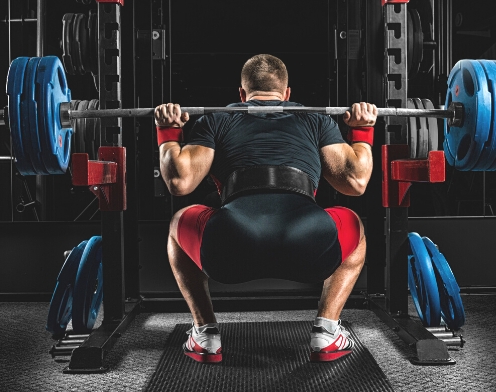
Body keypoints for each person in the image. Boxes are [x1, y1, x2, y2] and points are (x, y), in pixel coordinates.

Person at [154, 54, 377, 364]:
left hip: (232, 247)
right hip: (307, 246)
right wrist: (363, 129)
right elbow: (355, 181)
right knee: (353, 225)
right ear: (287, 93)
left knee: (180, 222)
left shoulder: (216, 119)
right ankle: (327, 333)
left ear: (242, 94)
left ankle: (205, 335)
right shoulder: (316, 119)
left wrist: (167, 131)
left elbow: (179, 182)